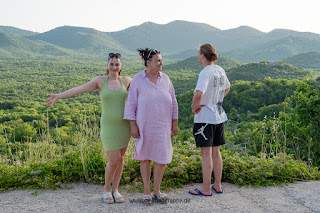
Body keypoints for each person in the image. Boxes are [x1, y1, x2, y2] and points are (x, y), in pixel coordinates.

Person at [45, 53, 132, 204]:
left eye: (117, 64)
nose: (114, 67)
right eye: (111, 64)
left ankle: (116, 190)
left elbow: (144, 92)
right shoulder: (100, 81)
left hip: (124, 126)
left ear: (121, 66)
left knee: (122, 158)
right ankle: (106, 190)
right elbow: (78, 89)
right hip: (108, 126)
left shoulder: (127, 81)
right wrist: (59, 96)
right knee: (114, 160)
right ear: (107, 65)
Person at [124, 48, 178, 205]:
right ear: (149, 62)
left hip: (163, 126)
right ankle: (146, 191)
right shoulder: (138, 80)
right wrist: (133, 125)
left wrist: (174, 122)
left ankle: (157, 190)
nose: (161, 63)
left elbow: (174, 102)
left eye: (161, 60)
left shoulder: (166, 79)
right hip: (144, 126)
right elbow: (131, 105)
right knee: (146, 157)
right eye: (158, 60)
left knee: (161, 158)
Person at [188, 44, 230, 196]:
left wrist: (194, 107)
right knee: (216, 152)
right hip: (218, 117)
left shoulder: (205, 72)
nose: (197, 56)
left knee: (206, 154)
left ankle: (206, 188)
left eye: (198, 53)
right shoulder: (219, 70)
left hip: (205, 118)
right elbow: (227, 88)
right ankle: (217, 185)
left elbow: (198, 93)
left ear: (203, 56)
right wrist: (216, 100)